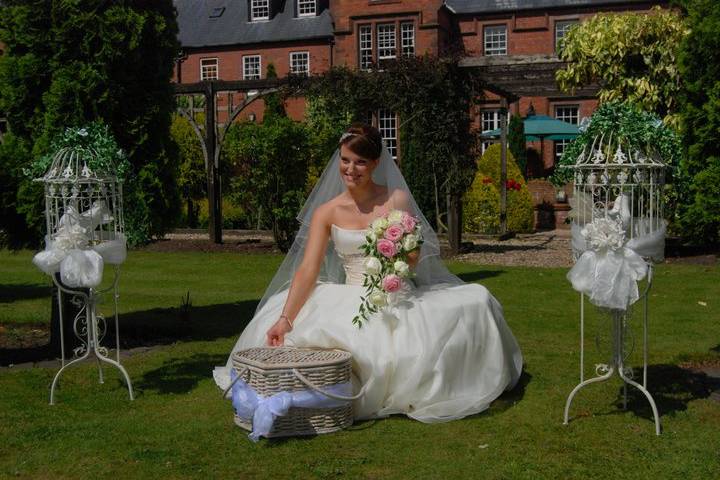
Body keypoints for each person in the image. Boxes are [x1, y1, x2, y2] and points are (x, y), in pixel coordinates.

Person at [213, 123, 523, 422]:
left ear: (375, 163)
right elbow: (308, 268)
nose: (350, 169)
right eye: (345, 160)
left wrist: (405, 255)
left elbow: (413, 258)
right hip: (349, 293)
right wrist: (286, 317)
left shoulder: (395, 199)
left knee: (477, 299)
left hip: (394, 292)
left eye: (360, 162)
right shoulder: (327, 211)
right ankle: (316, 388)